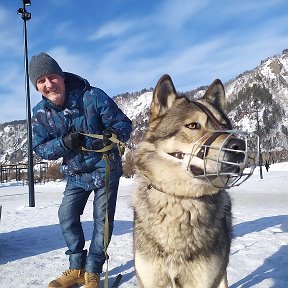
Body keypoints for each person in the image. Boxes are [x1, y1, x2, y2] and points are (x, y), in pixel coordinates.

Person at [29, 52, 132, 288]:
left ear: (62, 76)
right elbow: (40, 148)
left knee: (102, 221)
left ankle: (93, 270)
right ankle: (76, 267)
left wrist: (112, 134)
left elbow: (124, 123)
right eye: (41, 81)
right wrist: (64, 143)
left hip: (105, 169)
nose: (48, 84)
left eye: (52, 77)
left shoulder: (93, 96)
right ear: (37, 86)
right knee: (66, 216)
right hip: (76, 174)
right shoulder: (40, 114)